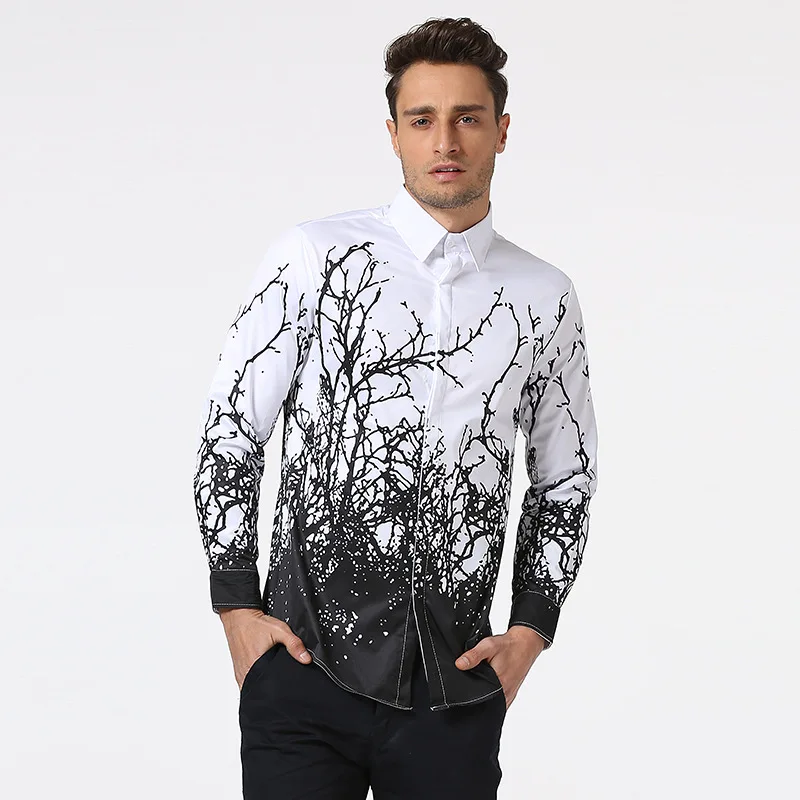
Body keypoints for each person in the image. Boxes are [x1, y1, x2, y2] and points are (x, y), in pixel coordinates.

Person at [192, 15, 599, 800]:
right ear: (394, 134)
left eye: (467, 118)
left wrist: (531, 628)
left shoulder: (544, 296)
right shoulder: (316, 257)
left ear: (501, 131)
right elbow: (231, 430)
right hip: (304, 667)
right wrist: (236, 605)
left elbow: (566, 473)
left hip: (452, 686)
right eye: (422, 119)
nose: (445, 140)